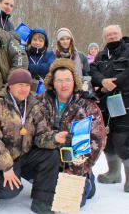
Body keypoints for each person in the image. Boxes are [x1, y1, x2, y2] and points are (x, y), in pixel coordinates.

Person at [0, 69, 68, 214]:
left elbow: (41, 134)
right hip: (4, 159)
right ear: (10, 85)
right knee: (10, 191)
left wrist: (54, 138)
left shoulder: (34, 105)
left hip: (26, 154)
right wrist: (7, 167)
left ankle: (41, 201)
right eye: (20, 85)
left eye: (27, 85)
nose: (24, 89)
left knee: (51, 155)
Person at [37, 59, 106, 206]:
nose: (64, 85)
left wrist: (76, 171)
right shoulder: (39, 102)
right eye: (59, 80)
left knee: (67, 204)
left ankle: (87, 179)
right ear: (52, 83)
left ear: (74, 81)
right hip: (49, 161)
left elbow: (97, 141)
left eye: (68, 80)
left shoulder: (87, 106)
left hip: (76, 164)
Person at [90, 25, 129, 192]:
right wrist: (102, 82)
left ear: (120, 35)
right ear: (104, 38)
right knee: (109, 139)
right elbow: (93, 71)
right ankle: (114, 173)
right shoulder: (100, 56)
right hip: (106, 104)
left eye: (115, 34)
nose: (112, 37)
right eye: (108, 35)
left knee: (123, 139)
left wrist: (112, 83)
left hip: (125, 103)